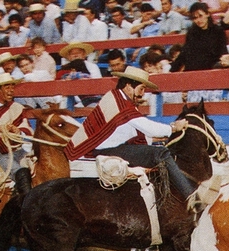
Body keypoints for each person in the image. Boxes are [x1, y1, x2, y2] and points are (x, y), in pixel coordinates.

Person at [63, 66, 203, 212]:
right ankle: (191, 197)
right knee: (161, 153)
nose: (142, 94)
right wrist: (174, 127)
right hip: (108, 151)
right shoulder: (123, 105)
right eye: (141, 89)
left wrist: (156, 138)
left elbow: (127, 131)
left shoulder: (117, 99)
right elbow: (148, 128)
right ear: (129, 86)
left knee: (157, 150)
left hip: (108, 148)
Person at [170, 2, 226, 72]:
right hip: (193, 69)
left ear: (207, 14)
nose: (199, 20)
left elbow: (223, 52)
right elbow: (185, 53)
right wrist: (172, 71)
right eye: (195, 18)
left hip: (212, 69)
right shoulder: (192, 32)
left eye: (200, 16)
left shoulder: (218, 31)